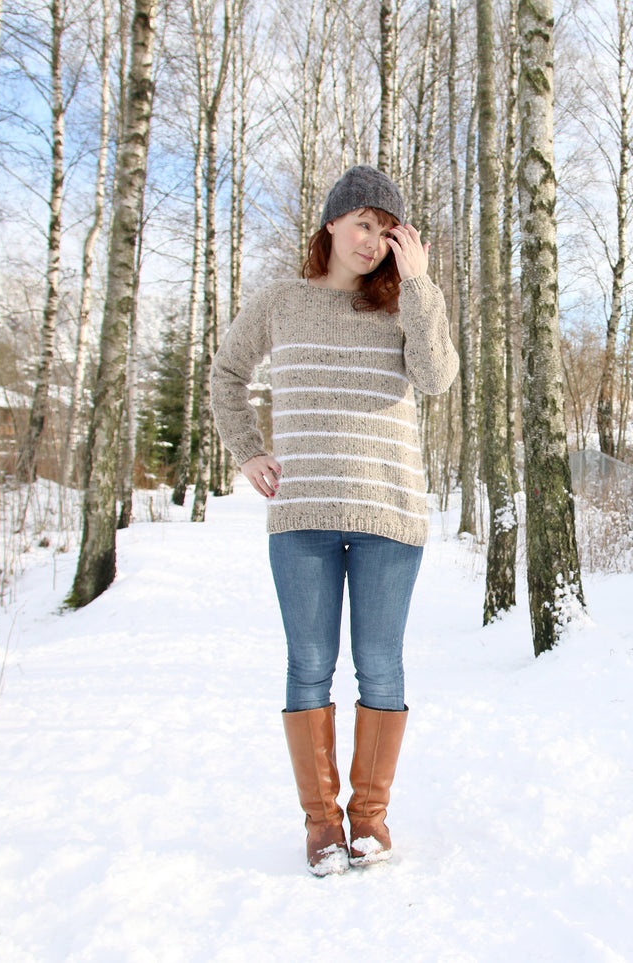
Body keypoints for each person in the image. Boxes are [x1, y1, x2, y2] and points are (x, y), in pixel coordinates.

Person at [210, 165, 458, 876]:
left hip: (388, 509)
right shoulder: (281, 302)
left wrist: (419, 285)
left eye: (388, 233)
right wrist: (248, 451)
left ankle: (370, 818)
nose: (372, 242)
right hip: (303, 513)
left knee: (379, 664)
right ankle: (322, 822)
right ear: (331, 223)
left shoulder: (403, 303)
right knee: (309, 665)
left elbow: (438, 377)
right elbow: (226, 373)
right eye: (362, 225)